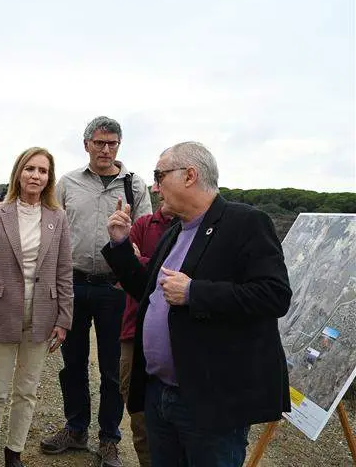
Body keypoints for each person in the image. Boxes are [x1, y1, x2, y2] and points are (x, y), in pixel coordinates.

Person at [102, 141, 292, 467]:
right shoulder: (176, 232)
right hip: (160, 393)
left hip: (208, 401)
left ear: (190, 175)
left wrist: (194, 292)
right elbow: (147, 291)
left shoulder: (246, 223)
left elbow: (275, 295)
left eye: (160, 175)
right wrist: (120, 244)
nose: (154, 186)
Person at [41, 116, 151, 467]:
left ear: (119, 145)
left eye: (113, 143)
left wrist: (132, 262)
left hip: (115, 289)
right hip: (72, 284)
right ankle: (75, 429)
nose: (106, 149)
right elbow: (51, 230)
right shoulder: (67, 183)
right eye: (99, 142)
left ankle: (109, 439)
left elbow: (146, 233)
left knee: (111, 369)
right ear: (86, 143)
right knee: (72, 363)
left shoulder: (136, 186)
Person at [0, 148, 74, 467]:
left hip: (42, 316)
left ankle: (13, 452)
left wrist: (64, 318)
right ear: (18, 173)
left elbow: (64, 270)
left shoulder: (58, 217)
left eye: (42, 171)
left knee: (26, 391)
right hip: (0, 314)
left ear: (49, 178)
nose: (36, 175)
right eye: (30, 169)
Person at [119, 194, 174, 467]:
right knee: (138, 412)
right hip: (134, 332)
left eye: (162, 178)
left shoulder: (202, 229)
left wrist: (144, 263)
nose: (157, 187)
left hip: (181, 337)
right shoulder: (143, 224)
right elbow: (126, 273)